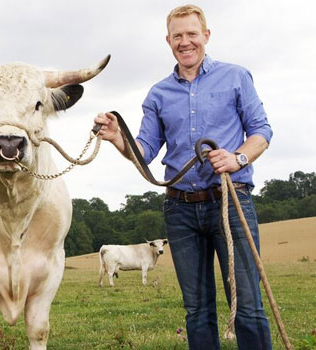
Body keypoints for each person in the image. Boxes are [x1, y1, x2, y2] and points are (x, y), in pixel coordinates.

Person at [93, 4, 274, 350]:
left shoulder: (236, 77)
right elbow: (144, 152)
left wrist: (237, 158)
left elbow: (262, 131)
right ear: (168, 41)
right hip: (180, 211)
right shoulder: (158, 94)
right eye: (178, 36)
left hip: (231, 201)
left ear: (206, 36)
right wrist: (119, 137)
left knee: (249, 308)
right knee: (197, 310)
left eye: (192, 34)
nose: (185, 42)